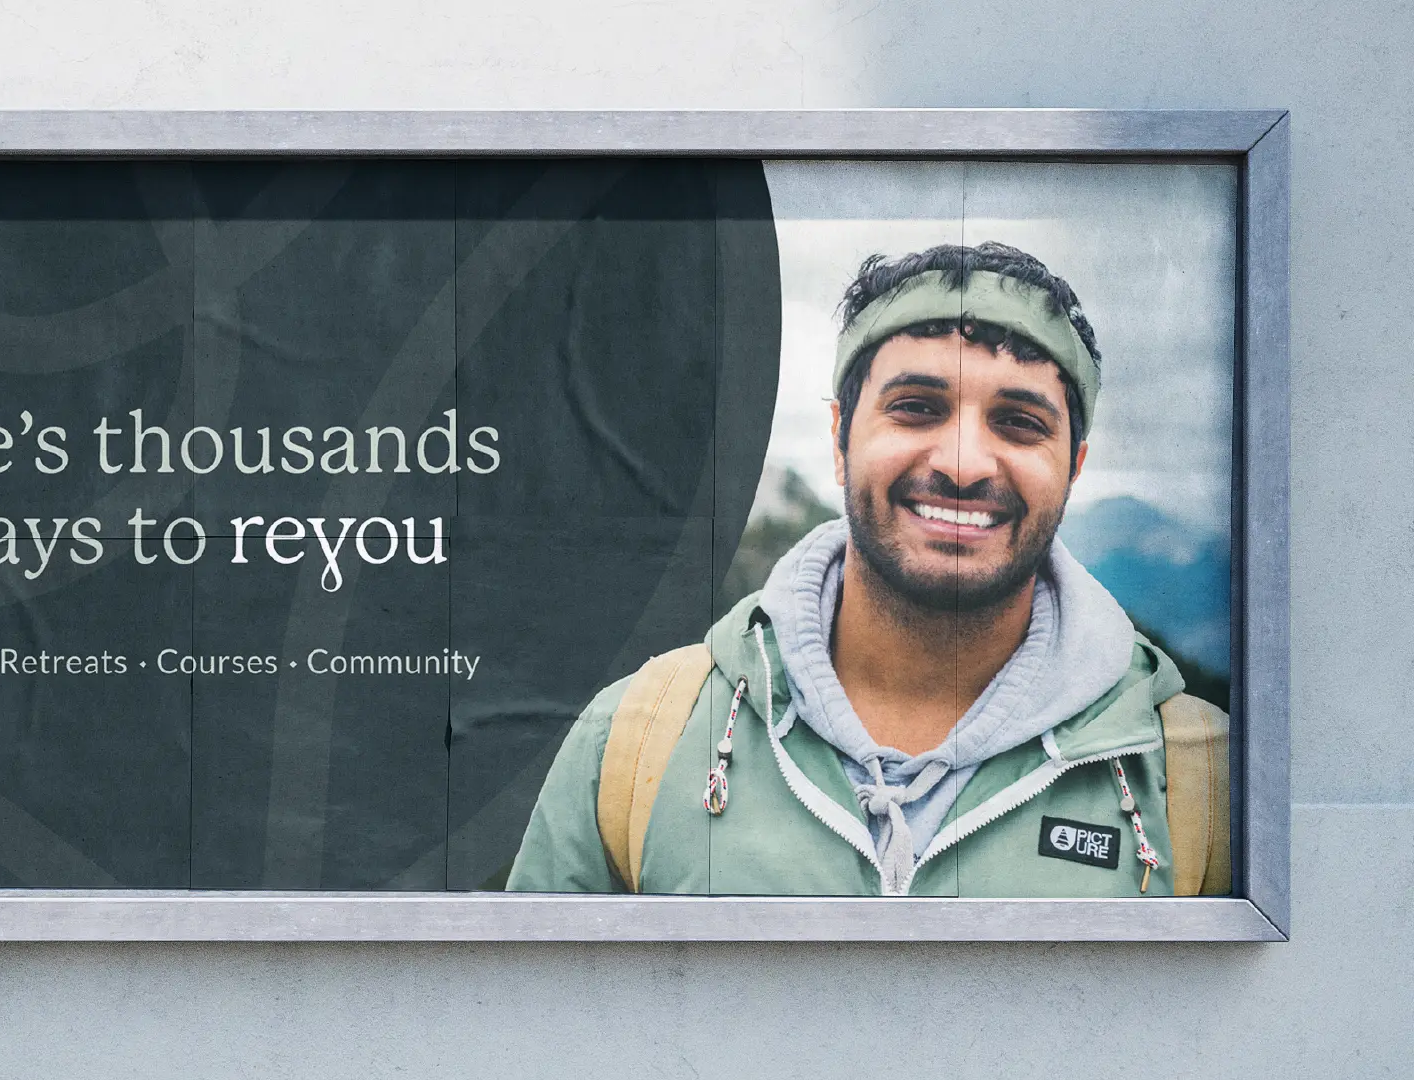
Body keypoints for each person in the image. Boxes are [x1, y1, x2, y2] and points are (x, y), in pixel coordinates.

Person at [506, 241, 1227, 897]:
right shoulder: (636, 740)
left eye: (1018, 422)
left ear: (1072, 466)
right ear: (840, 437)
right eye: (916, 409)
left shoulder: (1201, 784)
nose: (962, 463)